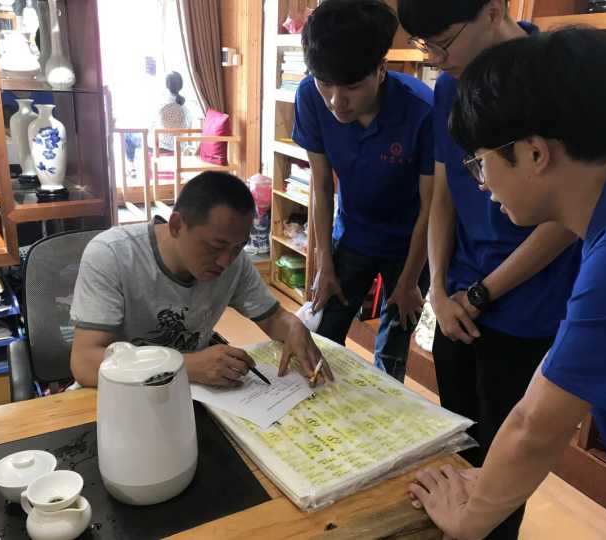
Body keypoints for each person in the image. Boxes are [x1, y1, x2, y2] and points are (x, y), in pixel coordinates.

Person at [409, 27, 606, 540]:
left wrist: (468, 521)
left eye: (481, 163)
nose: (483, 184)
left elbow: (537, 425)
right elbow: (541, 400)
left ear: (535, 154)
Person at [397, 2, 581, 536]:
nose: (436, 58)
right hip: (457, 302)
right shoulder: (450, 86)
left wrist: (481, 294)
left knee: (504, 465)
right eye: (425, 46)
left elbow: (568, 216)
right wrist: (438, 287)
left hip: (525, 309)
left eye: (443, 41)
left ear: (493, 11)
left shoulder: (556, 79)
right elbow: (446, 192)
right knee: (461, 445)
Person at [70, 172, 333, 388]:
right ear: (176, 225)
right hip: (121, 396)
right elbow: (85, 363)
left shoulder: (234, 262)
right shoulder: (113, 254)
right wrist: (187, 366)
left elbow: (273, 318)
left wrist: (293, 326)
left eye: (238, 247)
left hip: (193, 393)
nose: (225, 261)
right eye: (215, 246)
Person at [293, 0, 434, 382]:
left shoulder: (421, 110)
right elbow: (322, 185)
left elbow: (431, 206)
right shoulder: (309, 96)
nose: (336, 101)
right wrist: (324, 262)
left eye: (352, 87)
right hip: (353, 234)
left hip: (410, 245)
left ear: (381, 69)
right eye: (325, 83)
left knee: (392, 347)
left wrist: (410, 280)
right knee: (324, 332)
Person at [156, 71, 193, 154]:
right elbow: (188, 128)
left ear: (166, 85)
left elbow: (154, 126)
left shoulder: (162, 103)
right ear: (181, 86)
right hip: (181, 148)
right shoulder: (185, 108)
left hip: (162, 148)